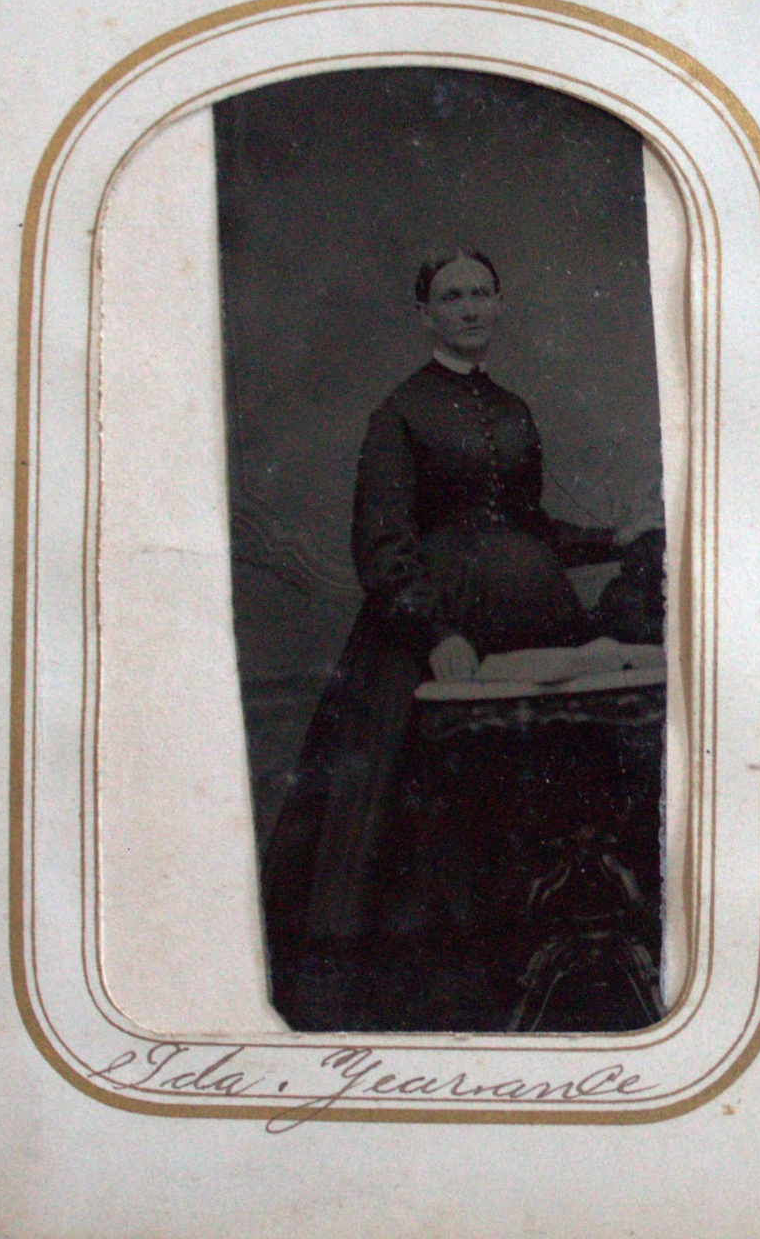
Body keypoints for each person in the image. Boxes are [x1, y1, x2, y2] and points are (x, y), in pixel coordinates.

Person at [261, 249, 631, 1029]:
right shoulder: (399, 412)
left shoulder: (515, 409)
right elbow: (383, 546)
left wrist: (612, 540)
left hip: (535, 618)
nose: (469, 307)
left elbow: (531, 528)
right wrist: (436, 635)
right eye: (452, 295)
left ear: (499, 304)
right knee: (434, 823)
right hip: (437, 631)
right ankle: (460, 994)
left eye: (482, 293)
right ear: (424, 313)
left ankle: (554, 970)